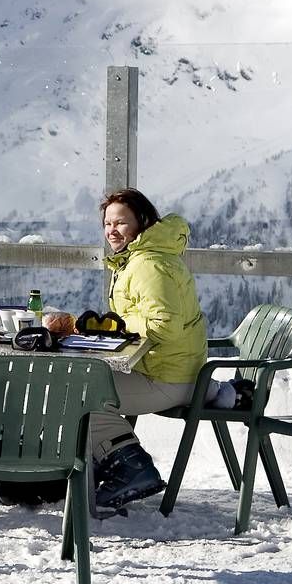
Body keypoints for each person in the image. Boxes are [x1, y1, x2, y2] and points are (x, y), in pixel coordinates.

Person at [89, 188, 207, 516]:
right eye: (108, 223)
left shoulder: (149, 264)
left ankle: (133, 469)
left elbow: (164, 325)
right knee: (78, 385)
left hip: (168, 377)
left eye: (121, 223)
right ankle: (104, 467)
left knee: (80, 395)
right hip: (162, 369)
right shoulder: (139, 259)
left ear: (142, 224)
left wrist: (114, 325)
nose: (112, 230)